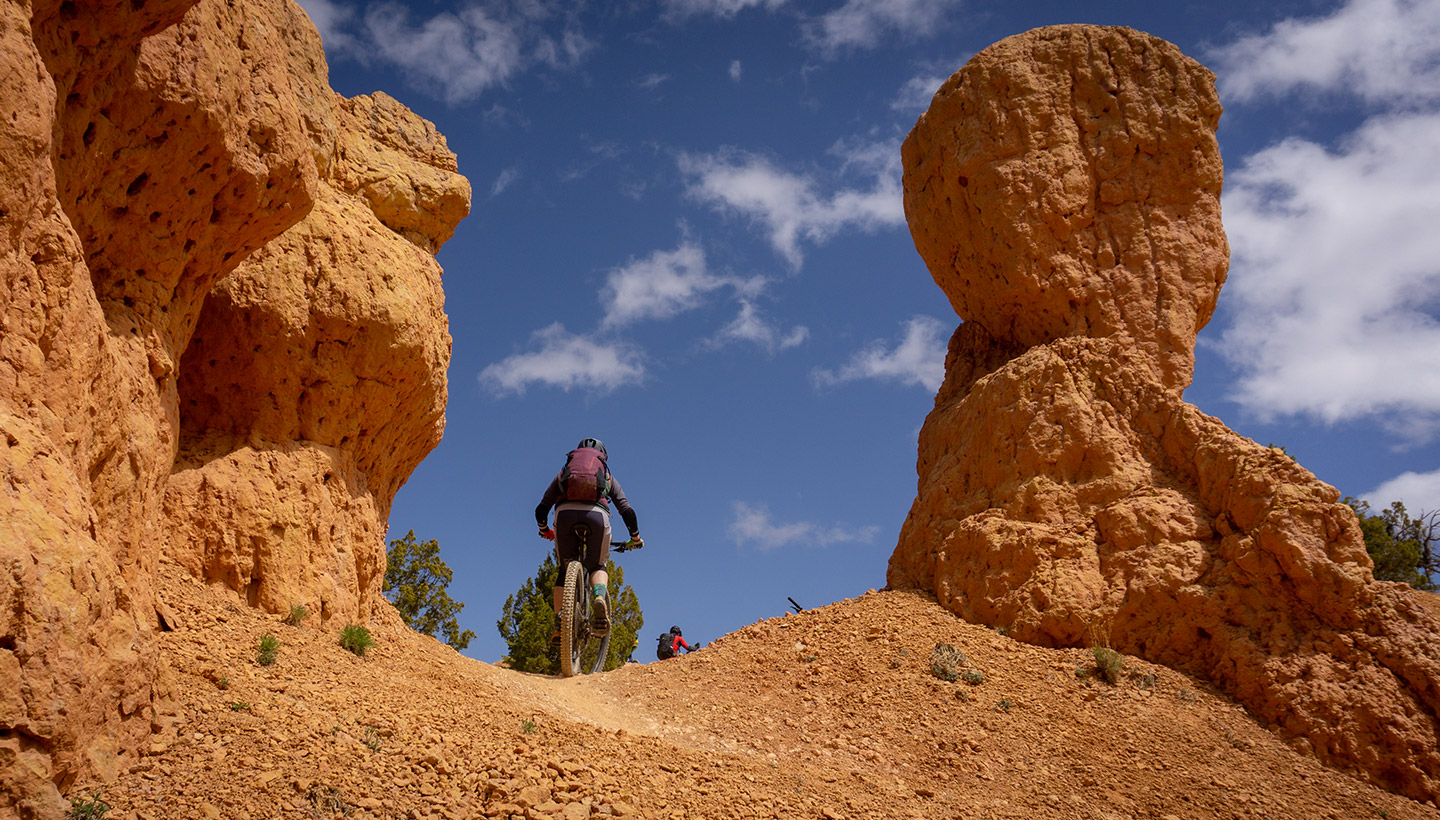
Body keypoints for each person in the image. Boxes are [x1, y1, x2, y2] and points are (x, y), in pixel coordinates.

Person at [536, 438, 641, 636]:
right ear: (602, 458)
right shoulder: (607, 477)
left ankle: (559, 621)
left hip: (564, 515)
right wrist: (635, 537)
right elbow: (627, 511)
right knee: (597, 565)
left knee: (563, 569)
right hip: (597, 516)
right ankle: (599, 597)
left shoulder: (563, 475)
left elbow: (541, 509)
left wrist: (544, 529)